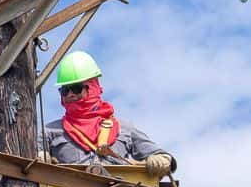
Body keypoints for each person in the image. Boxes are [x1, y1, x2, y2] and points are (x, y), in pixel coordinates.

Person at [40, 51, 175, 175]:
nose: (69, 94)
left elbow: (161, 155)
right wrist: (39, 156)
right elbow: (27, 160)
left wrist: (161, 160)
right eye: (64, 90)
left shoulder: (124, 129)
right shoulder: (49, 132)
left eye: (76, 89)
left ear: (92, 88)